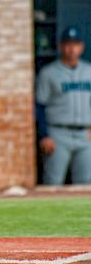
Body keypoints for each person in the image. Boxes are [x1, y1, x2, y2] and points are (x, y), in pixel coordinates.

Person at [36, 26, 91, 185]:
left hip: (84, 134)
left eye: (75, 44)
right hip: (58, 133)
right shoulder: (48, 73)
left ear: (81, 47)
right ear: (61, 46)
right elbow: (40, 106)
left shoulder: (89, 71)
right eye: (67, 44)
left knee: (86, 184)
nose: (71, 48)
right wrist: (44, 135)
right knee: (53, 182)